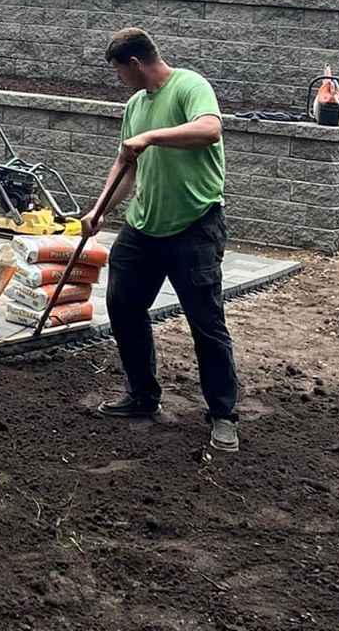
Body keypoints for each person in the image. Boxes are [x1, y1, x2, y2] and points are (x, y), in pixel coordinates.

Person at [79, 27, 240, 453]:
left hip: (195, 226)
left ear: (135, 64)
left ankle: (223, 415)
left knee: (206, 322)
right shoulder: (135, 105)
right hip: (143, 227)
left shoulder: (189, 85)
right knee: (124, 305)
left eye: (119, 73)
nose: (120, 81)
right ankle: (142, 395)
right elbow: (126, 166)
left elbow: (209, 130)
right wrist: (99, 212)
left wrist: (151, 137)